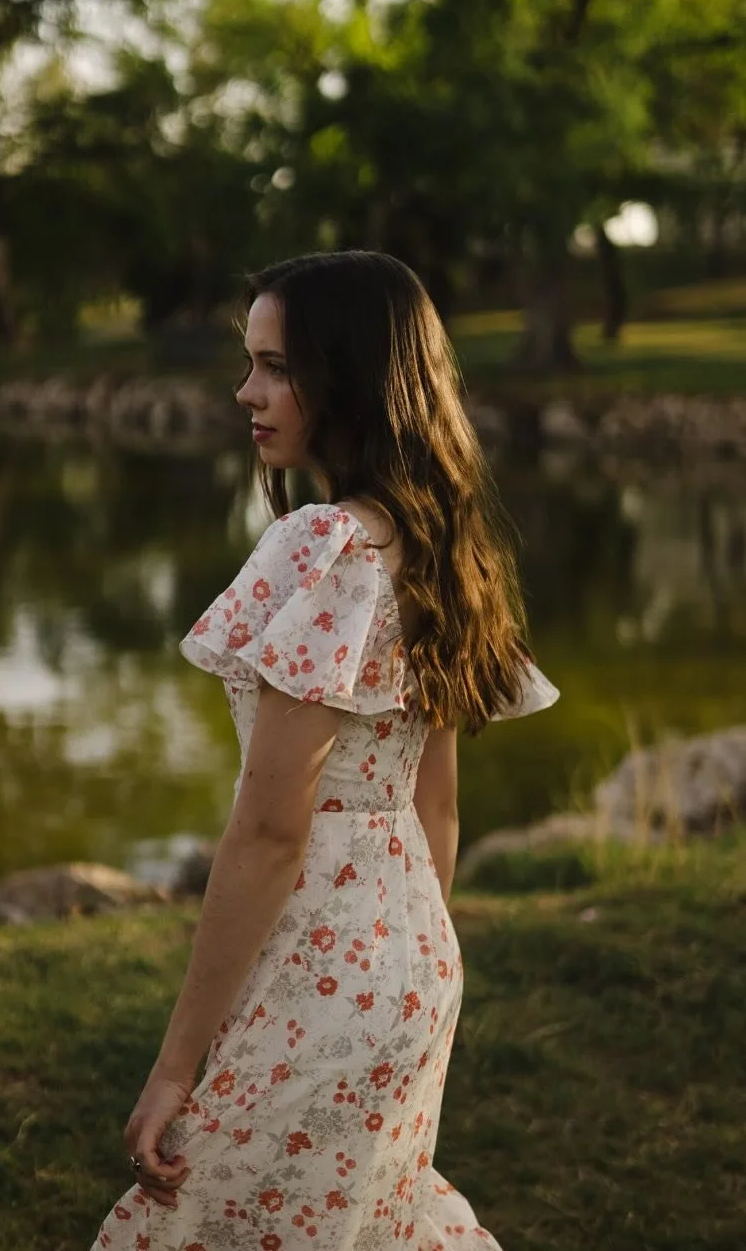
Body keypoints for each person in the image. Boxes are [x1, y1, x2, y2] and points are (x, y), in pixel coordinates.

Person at [90, 251, 558, 1251]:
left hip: (319, 964)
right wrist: (415, 961)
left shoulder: (325, 548)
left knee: (211, 1223)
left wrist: (179, 1064)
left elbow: (267, 831)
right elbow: (437, 802)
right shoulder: (437, 544)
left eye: (274, 366)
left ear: (346, 377)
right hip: (414, 958)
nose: (245, 391)